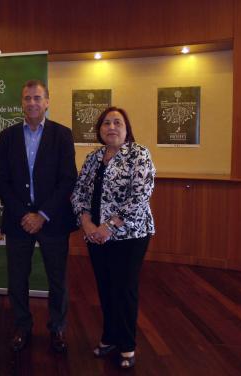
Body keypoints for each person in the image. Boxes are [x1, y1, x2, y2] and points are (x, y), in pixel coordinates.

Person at [0, 80, 77, 353]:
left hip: (53, 220)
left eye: (37, 98)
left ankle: (58, 329)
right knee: (17, 278)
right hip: (18, 221)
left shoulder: (63, 135)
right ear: (21, 102)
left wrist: (41, 214)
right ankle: (22, 326)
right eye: (27, 98)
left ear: (47, 101)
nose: (32, 102)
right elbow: (1, 181)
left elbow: (68, 180)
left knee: (57, 279)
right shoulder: (7, 136)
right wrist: (24, 214)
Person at [71, 106, 155, 369]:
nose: (111, 127)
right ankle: (109, 337)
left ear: (126, 128)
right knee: (105, 287)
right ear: (99, 130)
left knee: (124, 289)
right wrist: (86, 223)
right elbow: (78, 193)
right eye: (106, 123)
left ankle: (127, 345)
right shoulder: (93, 157)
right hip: (95, 235)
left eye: (117, 123)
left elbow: (140, 197)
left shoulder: (139, 154)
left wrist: (109, 226)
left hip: (129, 235)